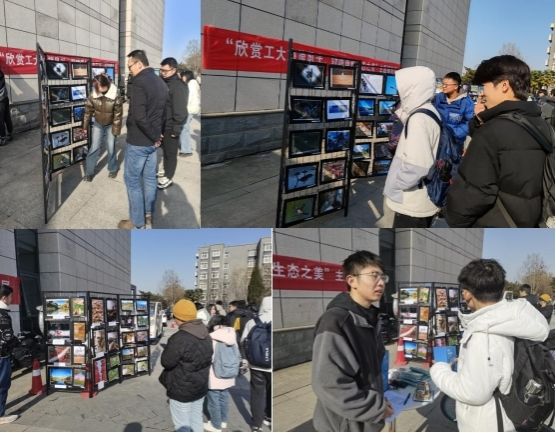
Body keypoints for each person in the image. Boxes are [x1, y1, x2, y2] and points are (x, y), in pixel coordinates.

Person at [430, 259, 549, 431]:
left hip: (485, 423)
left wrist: (438, 370)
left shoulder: (484, 334)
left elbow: (473, 393)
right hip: (500, 415)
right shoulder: (505, 319)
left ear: (467, 294)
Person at [445, 55, 550, 227]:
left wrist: (454, 218)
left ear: (504, 86)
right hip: (530, 219)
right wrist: (481, 120)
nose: (482, 93)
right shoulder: (542, 125)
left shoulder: (492, 131)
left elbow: (473, 194)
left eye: (485, 86)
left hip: (493, 220)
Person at [312, 251, 393, 432]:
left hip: (366, 422)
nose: (381, 283)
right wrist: (376, 409)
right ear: (352, 281)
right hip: (343, 426)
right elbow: (329, 384)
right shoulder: (336, 321)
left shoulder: (371, 318)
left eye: (383, 277)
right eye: (374, 275)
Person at [383, 66, 441, 228]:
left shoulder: (418, 119)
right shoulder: (428, 111)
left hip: (411, 203)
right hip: (419, 200)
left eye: (403, 86)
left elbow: (417, 167)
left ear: (413, 88)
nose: (399, 91)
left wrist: (396, 184)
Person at [118, 49, 168, 230]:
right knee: (149, 180)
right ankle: (148, 216)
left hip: (139, 141)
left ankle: (137, 221)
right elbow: (163, 113)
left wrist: (155, 136)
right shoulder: (160, 81)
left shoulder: (139, 82)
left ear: (139, 64)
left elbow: (139, 116)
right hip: (152, 142)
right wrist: (158, 136)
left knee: (132, 181)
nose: (129, 69)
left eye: (130, 66)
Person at [159, 299, 213, 432]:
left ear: (179, 318)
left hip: (181, 389)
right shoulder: (205, 333)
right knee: (196, 419)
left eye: (175, 316)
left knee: (182, 425)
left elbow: (166, 362)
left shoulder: (179, 338)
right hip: (200, 386)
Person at [82, 73, 123, 181]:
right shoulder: (93, 94)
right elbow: (88, 111)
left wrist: (115, 131)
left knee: (111, 147)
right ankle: (89, 172)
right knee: (94, 147)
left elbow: (118, 115)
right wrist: (84, 126)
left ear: (105, 84)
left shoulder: (115, 94)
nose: (98, 89)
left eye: (99, 86)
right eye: (96, 87)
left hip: (111, 124)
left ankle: (113, 169)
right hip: (98, 124)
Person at [241, 296, 272, 432]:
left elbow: (243, 342)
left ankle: (256, 425)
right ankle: (269, 417)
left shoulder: (252, 322)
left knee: (257, 394)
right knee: (270, 392)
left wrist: (245, 359)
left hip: (256, 365)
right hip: (271, 365)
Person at [204, 315, 240, 432]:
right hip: (229, 373)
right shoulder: (232, 334)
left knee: (213, 400)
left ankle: (216, 425)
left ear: (214, 325)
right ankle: (223, 421)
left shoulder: (212, 337)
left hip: (215, 375)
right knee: (224, 397)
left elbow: (209, 358)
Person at [157, 57, 188, 190]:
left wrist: (176, 128)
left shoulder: (178, 86)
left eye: (165, 70)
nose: (162, 73)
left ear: (174, 70)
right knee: (164, 150)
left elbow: (180, 111)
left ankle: (168, 177)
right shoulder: (163, 82)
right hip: (161, 124)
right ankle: (165, 169)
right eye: (161, 70)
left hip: (171, 126)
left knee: (170, 153)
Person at [432, 72, 474, 156]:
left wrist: (453, 134)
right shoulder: (438, 98)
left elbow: (468, 123)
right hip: (437, 141)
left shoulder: (466, 102)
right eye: (443, 84)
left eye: (446, 85)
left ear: (456, 86)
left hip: (455, 145)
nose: (443, 86)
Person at [0, 285, 19, 424]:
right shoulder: (3, 315)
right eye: (11, 296)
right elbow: (7, 337)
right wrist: (18, 343)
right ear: (4, 298)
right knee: (2, 385)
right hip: (2, 355)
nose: (12, 299)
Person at [178, 70, 200, 157]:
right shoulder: (194, 83)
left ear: (186, 76)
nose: (182, 78)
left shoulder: (191, 84)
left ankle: (186, 150)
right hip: (192, 109)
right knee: (184, 128)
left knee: (184, 129)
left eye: (182, 76)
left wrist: (182, 107)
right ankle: (185, 148)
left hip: (189, 109)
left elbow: (189, 97)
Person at [0, 69, 13, 146]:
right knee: (6, 117)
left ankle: (2, 138)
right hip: (4, 98)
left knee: (1, 119)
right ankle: (9, 133)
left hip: (1, 99)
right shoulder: (1, 72)